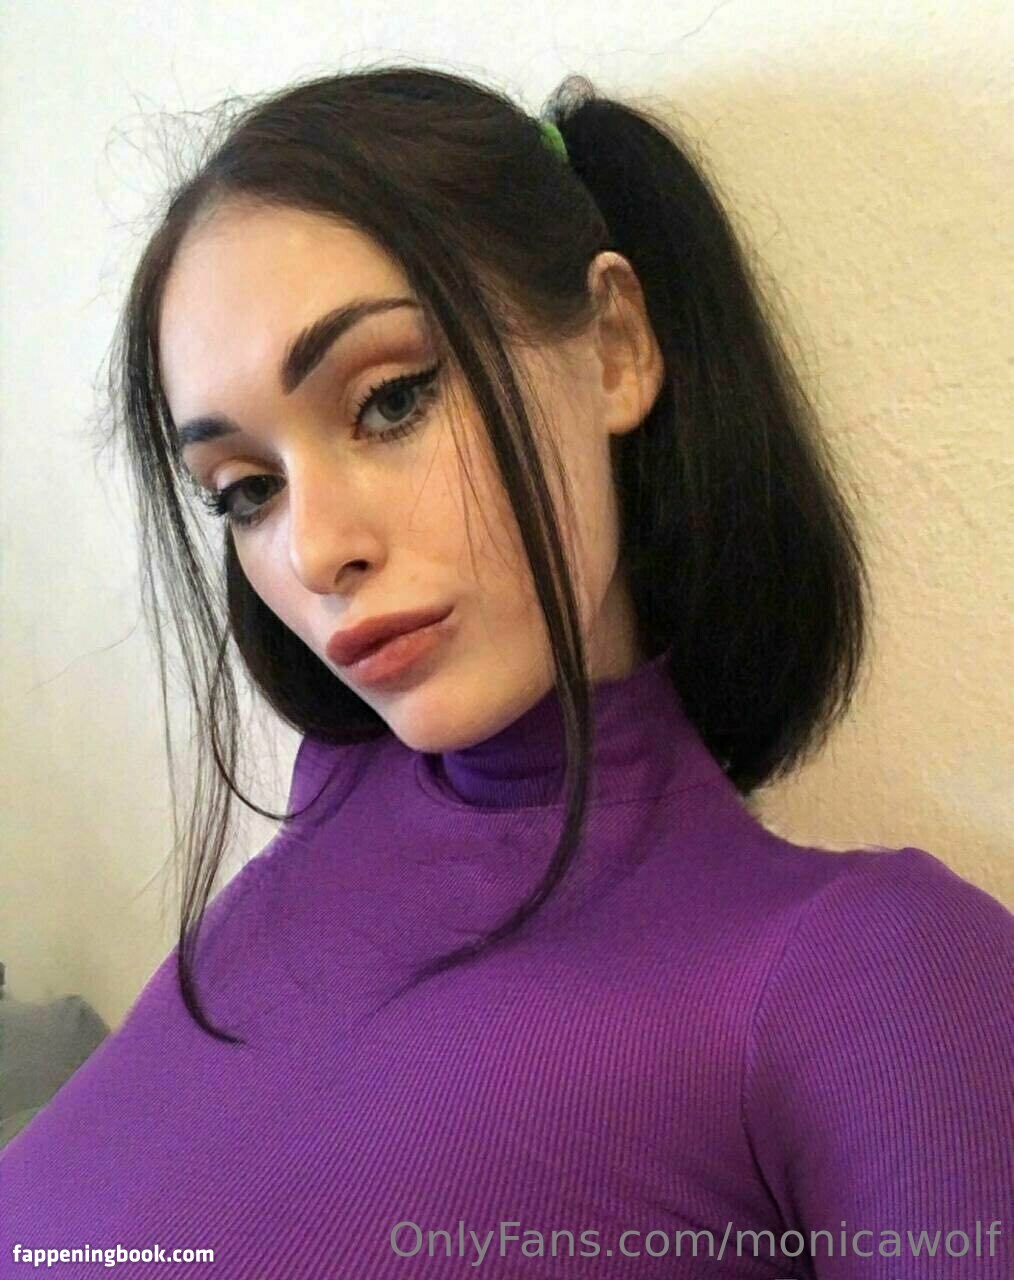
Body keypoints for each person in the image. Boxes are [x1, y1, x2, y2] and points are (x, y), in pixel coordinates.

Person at [2, 66, 1010, 1279]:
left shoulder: (871, 974)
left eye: (390, 400)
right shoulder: (324, 817)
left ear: (616, 348)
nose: (315, 551)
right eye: (247, 490)